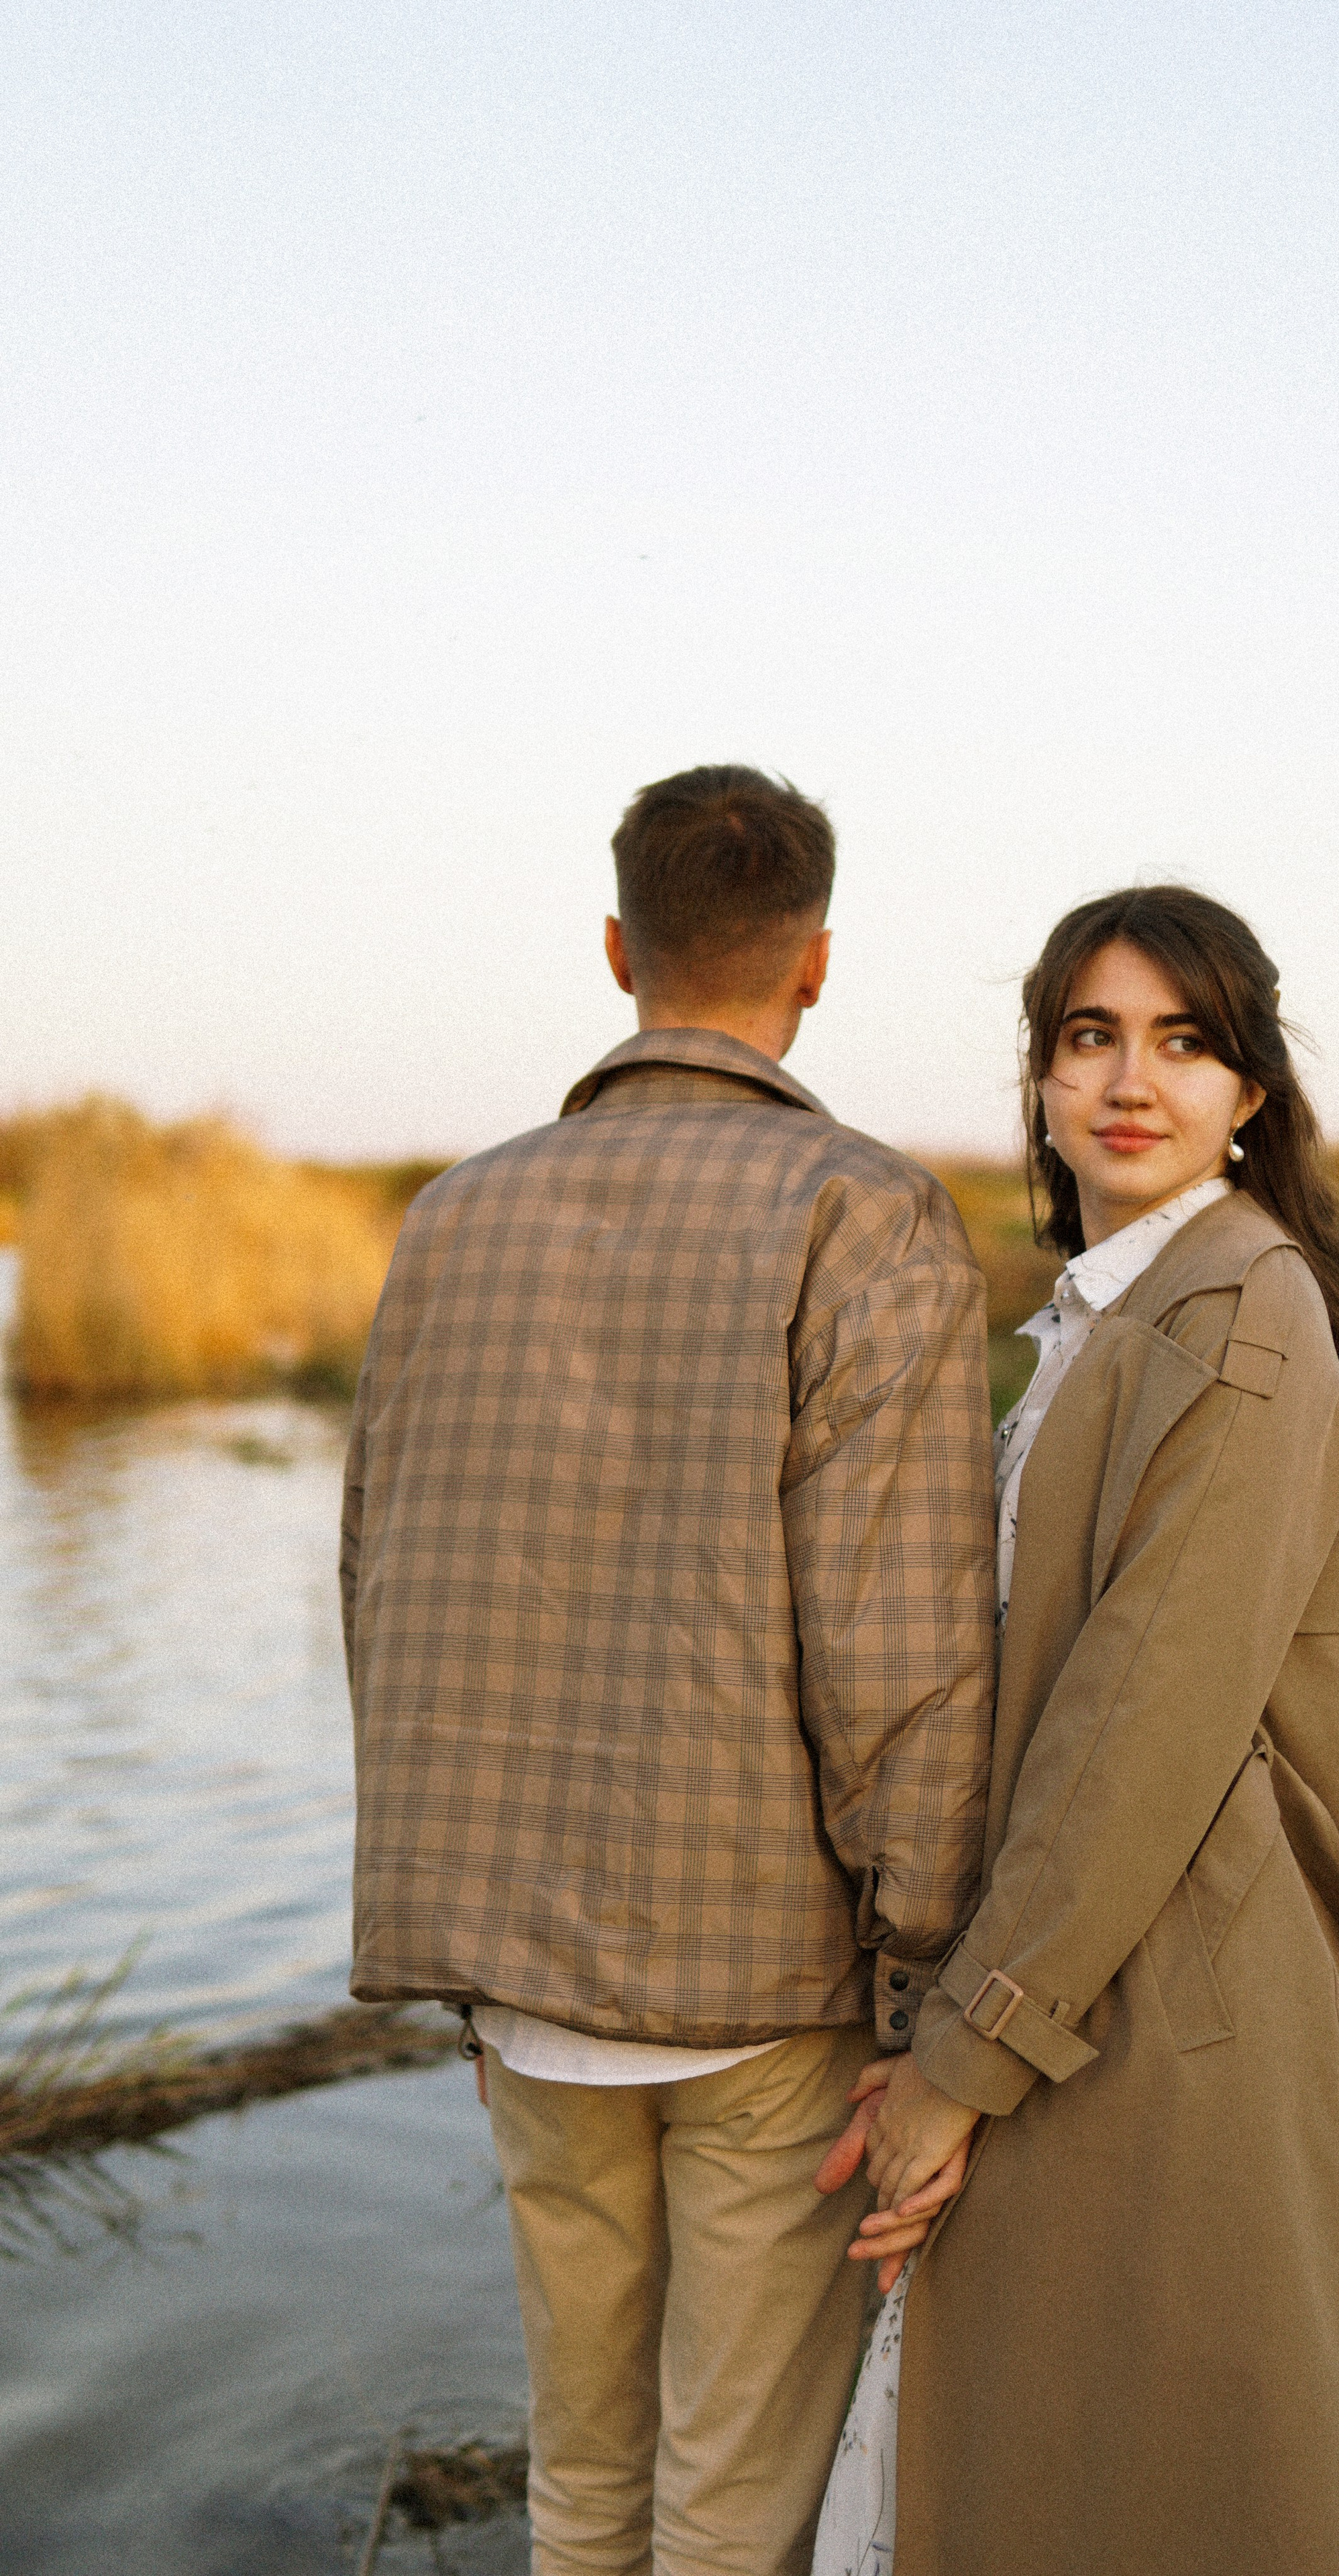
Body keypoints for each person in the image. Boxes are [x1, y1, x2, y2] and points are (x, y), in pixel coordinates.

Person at [341, 766, 996, 2576]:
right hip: (767, 1994)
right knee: (731, 2512)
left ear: (620, 946)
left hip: (529, 1996)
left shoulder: (450, 1220)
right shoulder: (864, 1215)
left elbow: (380, 1585)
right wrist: (930, 1992)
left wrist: (468, 1949)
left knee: (584, 2486)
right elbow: (906, 1660)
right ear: (819, 963)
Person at [812, 886, 1339, 2576]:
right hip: (1095, 1962)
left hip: (1187, 2001)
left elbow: (1142, 1720)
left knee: (1168, 2478)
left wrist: (958, 2061)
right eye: (1090, 1037)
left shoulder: (1234, 1310)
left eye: (1184, 1043)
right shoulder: (1114, 1305)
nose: (1132, 1080)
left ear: (1248, 1090)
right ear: (1038, 1076)